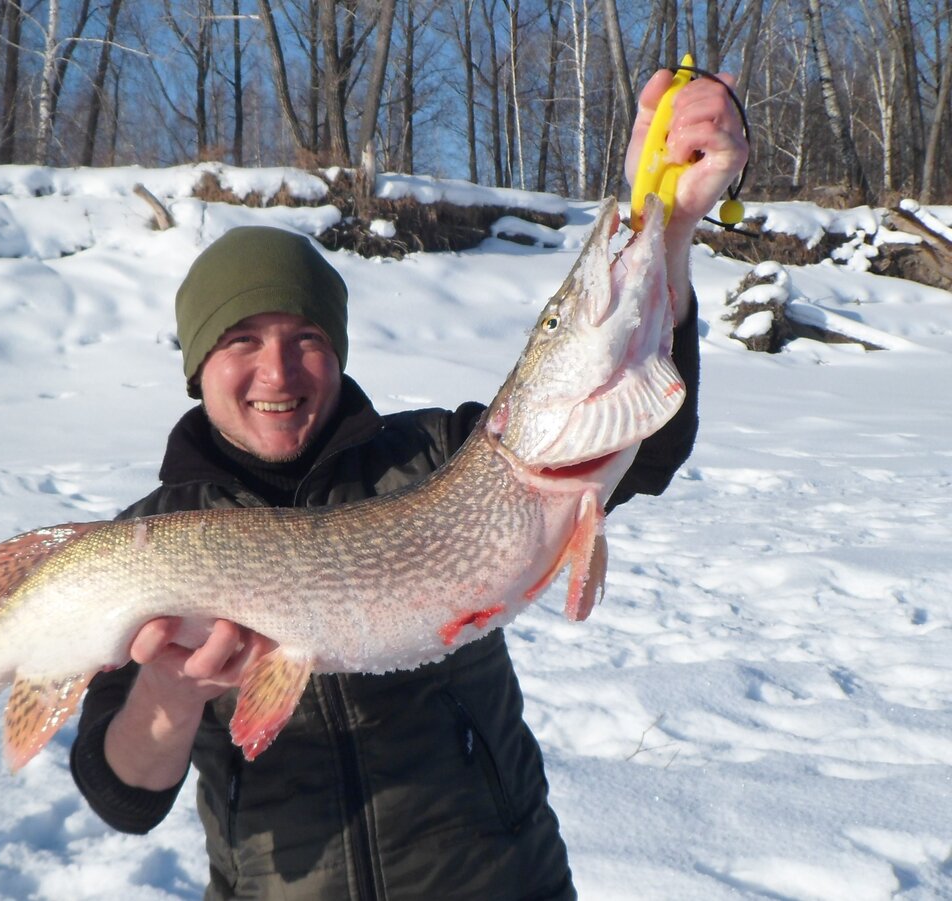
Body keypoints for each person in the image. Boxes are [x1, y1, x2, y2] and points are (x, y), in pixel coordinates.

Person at [70, 70, 749, 900]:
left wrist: (670, 231)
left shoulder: (442, 453)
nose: (277, 371)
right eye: (241, 339)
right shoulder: (150, 538)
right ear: (197, 362)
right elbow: (122, 797)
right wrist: (171, 691)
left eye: (307, 336)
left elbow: (648, 448)